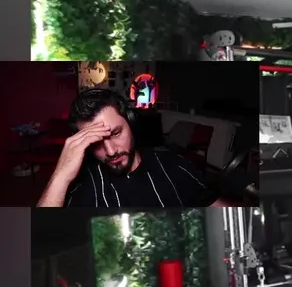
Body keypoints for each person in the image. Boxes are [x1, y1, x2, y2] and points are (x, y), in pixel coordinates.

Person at [38, 88, 225, 208]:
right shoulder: (82, 188)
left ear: (131, 123)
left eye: (116, 133)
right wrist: (60, 176)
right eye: (95, 143)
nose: (111, 151)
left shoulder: (175, 166)